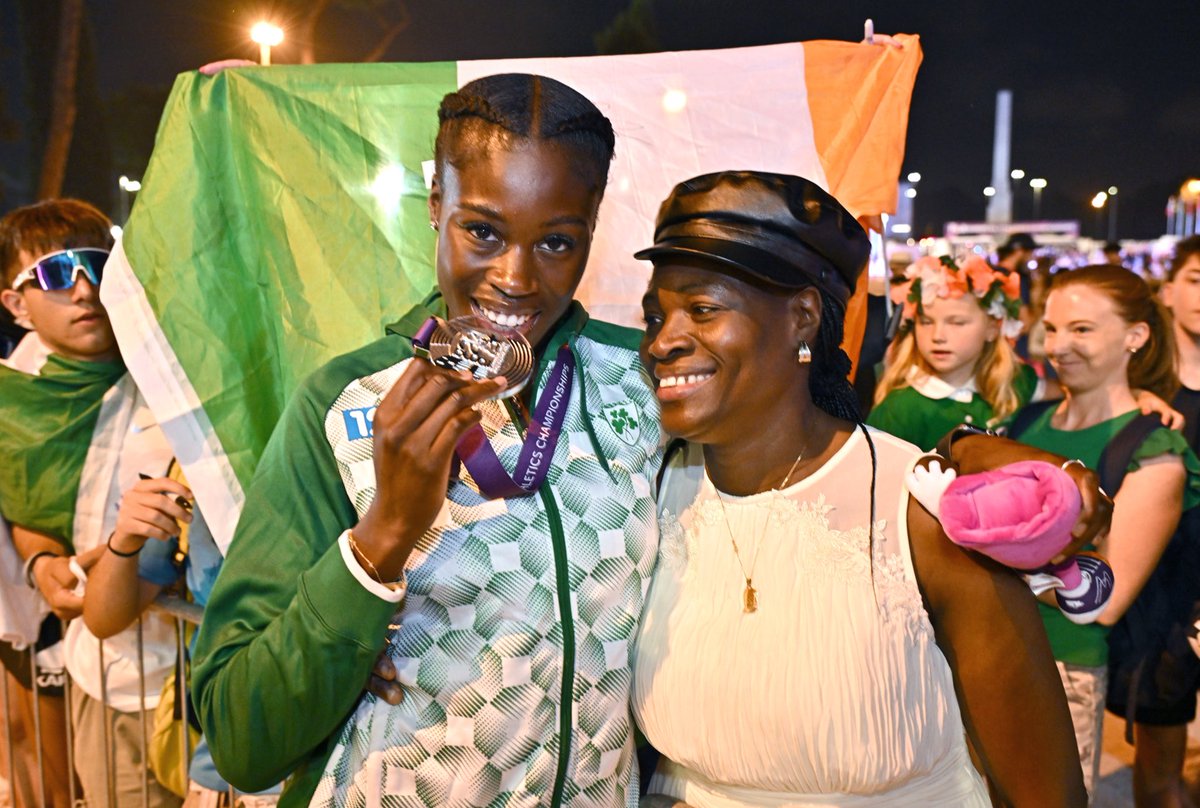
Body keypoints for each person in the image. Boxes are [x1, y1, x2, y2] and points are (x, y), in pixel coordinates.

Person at [192, 73, 662, 807]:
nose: (515, 277)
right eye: (483, 230)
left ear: (591, 236)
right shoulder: (344, 403)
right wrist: (378, 546)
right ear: (436, 207)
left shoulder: (641, 384)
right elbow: (240, 737)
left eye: (557, 243)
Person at [631, 170, 1087, 807]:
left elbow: (1047, 794)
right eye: (656, 314)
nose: (663, 340)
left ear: (802, 317)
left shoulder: (920, 515)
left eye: (703, 310)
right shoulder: (644, 496)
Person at [0, 199, 180, 807]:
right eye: (53, 273)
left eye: (95, 265)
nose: (81, 288)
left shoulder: (171, 364)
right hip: (107, 672)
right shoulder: (14, 403)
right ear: (15, 304)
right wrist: (41, 565)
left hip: (200, 664)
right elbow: (29, 508)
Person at [1008, 264, 1200, 805]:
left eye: (1083, 329)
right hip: (981, 648)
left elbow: (1105, 600)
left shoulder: (1152, 450)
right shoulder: (1026, 422)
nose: (1058, 345)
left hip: (1062, 670)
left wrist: (994, 559)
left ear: (1135, 336)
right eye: (1051, 327)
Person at [868, 253, 1038, 448]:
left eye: (957, 322)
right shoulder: (899, 409)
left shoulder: (1012, 382)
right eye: (926, 322)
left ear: (992, 328)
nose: (938, 336)